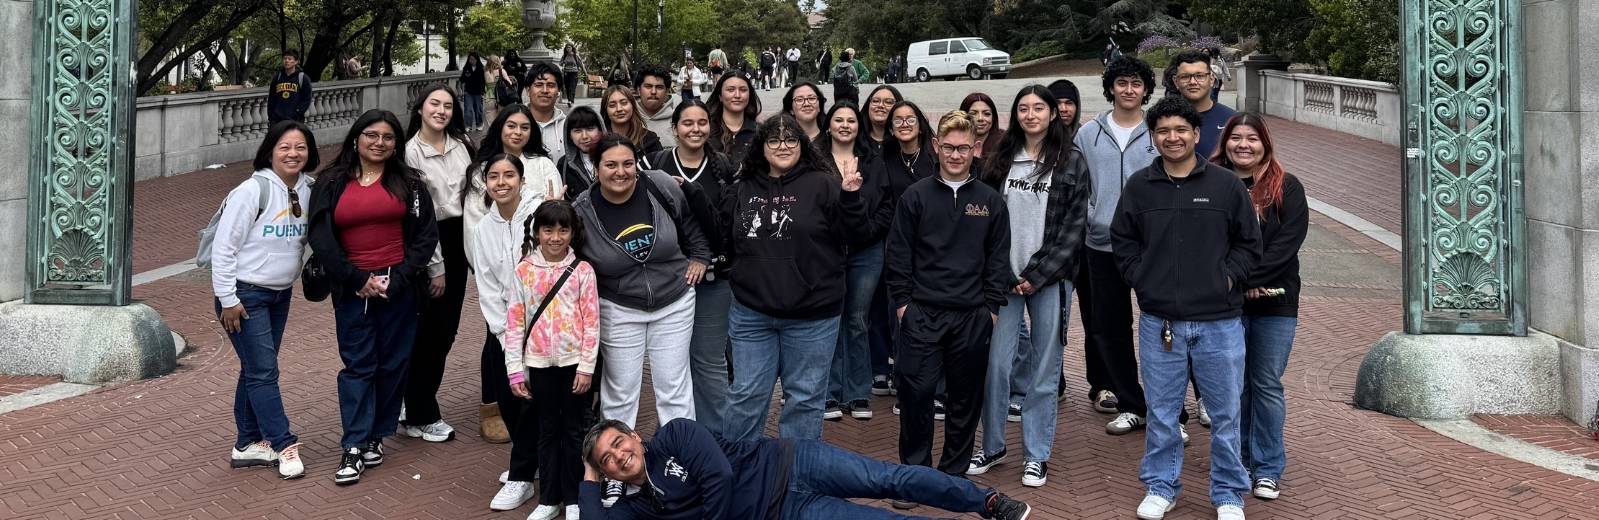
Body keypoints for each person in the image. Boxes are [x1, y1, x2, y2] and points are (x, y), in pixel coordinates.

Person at [1114, 97, 1261, 520]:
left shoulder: (1225, 185)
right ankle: (1162, 486)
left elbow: (1249, 245)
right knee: (1161, 412)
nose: (1172, 138)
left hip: (1220, 323)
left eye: (1181, 130)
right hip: (1161, 321)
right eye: (1163, 131)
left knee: (1225, 414)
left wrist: (1227, 278)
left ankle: (1229, 493)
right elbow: (1123, 243)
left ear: (1196, 135)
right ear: (1152, 137)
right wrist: (1142, 277)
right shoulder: (1140, 186)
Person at [572, 134, 711, 504]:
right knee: (620, 391)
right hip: (619, 306)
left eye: (628, 163)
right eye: (611, 165)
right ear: (596, 168)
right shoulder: (582, 209)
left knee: (674, 386)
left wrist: (700, 256)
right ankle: (615, 473)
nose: (621, 172)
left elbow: (690, 223)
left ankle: (683, 462)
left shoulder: (660, 186)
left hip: (674, 300)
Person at [306, 109, 441, 485]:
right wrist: (356, 279)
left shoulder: (410, 183)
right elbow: (321, 238)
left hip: (398, 287)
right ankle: (353, 443)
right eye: (371, 135)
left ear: (396, 144)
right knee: (359, 365)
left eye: (387, 137)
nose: (379, 143)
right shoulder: (331, 182)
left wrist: (396, 279)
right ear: (356, 138)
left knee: (394, 363)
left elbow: (425, 237)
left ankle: (375, 436)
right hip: (353, 289)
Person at [717, 114, 870, 443]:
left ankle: (795, 479)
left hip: (812, 315)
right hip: (751, 314)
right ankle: (741, 476)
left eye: (791, 140)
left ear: (802, 144)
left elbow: (854, 236)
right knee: (745, 396)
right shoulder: (743, 187)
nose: (782, 146)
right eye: (774, 140)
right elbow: (727, 240)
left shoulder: (824, 184)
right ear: (762, 146)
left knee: (804, 401)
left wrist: (851, 197)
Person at [966, 85, 1089, 489]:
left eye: (1039, 108)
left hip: (1049, 280)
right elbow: (984, 220)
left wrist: (1036, 274)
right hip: (1003, 279)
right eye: (1023, 108)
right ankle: (994, 445)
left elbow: (1073, 229)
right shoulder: (1001, 158)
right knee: (996, 366)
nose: (1031, 114)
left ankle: (1036, 455)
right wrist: (1000, 270)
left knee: (1043, 369)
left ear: (1053, 114)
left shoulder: (1070, 161)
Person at [885, 111, 1010, 485]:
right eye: (949, 148)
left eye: (964, 148)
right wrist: (904, 305)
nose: (956, 155)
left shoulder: (989, 201)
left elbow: (998, 258)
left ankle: (952, 475)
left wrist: (990, 309)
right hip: (922, 312)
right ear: (936, 147)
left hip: (972, 316)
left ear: (976, 149)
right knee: (916, 394)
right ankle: (915, 475)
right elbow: (898, 255)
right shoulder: (915, 196)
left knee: (964, 399)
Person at [577, 418, 1034, 519]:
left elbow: (719, 475)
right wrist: (588, 478)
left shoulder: (675, 435)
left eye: (618, 442)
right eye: (607, 460)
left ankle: (987, 501)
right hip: (787, 513)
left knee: (887, 479)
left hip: (794, 462)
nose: (618, 455)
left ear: (635, 436)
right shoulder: (639, 510)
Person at [1211, 113, 1307, 502]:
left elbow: (1286, 246)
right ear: (1225, 143)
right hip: (1225, 302)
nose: (1243, 145)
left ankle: (1267, 467)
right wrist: (1230, 284)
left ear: (1265, 143)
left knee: (1264, 383)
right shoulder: (1212, 181)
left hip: (1275, 301)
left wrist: (1242, 279)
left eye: (1252, 138)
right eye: (1236, 138)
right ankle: (1241, 461)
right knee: (1234, 387)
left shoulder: (1287, 187)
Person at [214, 120, 318, 480]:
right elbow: (224, 248)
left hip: (279, 295)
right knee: (264, 371)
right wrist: (227, 298)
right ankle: (283, 443)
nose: (293, 154)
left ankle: (246, 444)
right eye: (285, 147)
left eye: (300, 147)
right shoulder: (251, 190)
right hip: (244, 296)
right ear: (270, 151)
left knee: (256, 368)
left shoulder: (310, 189)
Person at [1075, 56, 1163, 438]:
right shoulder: (1088, 133)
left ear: (1146, 89)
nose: (1129, 90)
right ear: (1111, 87)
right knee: (1111, 327)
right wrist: (1091, 216)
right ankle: (1131, 404)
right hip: (1101, 245)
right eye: (1122, 83)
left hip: (1152, 249)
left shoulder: (1159, 131)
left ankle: (1168, 410)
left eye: (1137, 83)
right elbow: (1077, 186)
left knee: (1161, 327)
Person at [641, 99, 738, 437]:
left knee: (708, 359)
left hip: (714, 278)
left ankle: (716, 433)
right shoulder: (656, 164)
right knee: (672, 361)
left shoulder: (723, 166)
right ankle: (678, 429)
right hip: (669, 279)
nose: (695, 129)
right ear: (675, 128)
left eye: (701, 123)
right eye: (687, 123)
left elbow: (726, 224)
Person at [504, 198, 602, 520]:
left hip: (575, 364)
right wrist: (515, 371)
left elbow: (592, 322)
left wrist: (587, 367)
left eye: (563, 230)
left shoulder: (583, 271)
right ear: (537, 232)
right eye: (548, 230)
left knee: (573, 430)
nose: (556, 237)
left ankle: (574, 497)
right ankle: (549, 498)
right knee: (547, 430)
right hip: (539, 364)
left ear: (573, 233)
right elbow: (515, 323)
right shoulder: (524, 271)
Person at [401, 85, 481, 444]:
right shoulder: (409, 153)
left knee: (443, 330)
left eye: (448, 105)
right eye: (435, 103)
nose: (442, 110)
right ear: (420, 108)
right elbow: (419, 215)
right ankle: (421, 413)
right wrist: (436, 266)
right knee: (432, 331)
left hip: (461, 236)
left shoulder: (462, 145)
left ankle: (412, 400)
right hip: (430, 243)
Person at [472, 154, 545, 512]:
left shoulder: (539, 216)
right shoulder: (483, 228)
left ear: (521, 179)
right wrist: (505, 336)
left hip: (547, 327)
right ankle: (526, 467)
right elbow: (485, 284)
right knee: (509, 397)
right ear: (486, 184)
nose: (502, 183)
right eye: (494, 177)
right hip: (506, 330)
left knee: (538, 403)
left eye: (509, 175)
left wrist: (535, 331)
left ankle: (523, 472)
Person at [818, 102, 895, 422]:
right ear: (829, 126)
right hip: (828, 251)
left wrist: (868, 233)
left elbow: (886, 204)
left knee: (858, 320)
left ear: (858, 126)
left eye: (851, 120)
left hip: (867, 251)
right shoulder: (815, 161)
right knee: (831, 319)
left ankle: (858, 393)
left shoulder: (873, 162)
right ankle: (831, 393)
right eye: (839, 120)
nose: (846, 125)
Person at [1047, 78, 1110, 414]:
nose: (1064, 108)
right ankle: (1052, 378)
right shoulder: (1037, 142)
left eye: (1069, 102)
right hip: (1055, 247)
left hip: (1089, 243)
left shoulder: (1087, 138)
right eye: (1056, 102)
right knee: (1054, 317)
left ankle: (1102, 383)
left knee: (1095, 315)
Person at [1170, 50, 1236, 159]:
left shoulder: (1231, 119)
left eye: (1199, 76)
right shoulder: (1163, 119)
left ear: (1211, 79)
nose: (1192, 82)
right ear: (1176, 81)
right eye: (1185, 76)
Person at [883, 101, 937, 200]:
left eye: (911, 120)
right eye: (898, 121)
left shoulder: (935, 158)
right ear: (891, 130)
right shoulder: (886, 159)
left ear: (920, 127)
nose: (904, 124)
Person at [706, 72, 760, 163]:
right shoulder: (705, 130)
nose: (737, 95)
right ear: (720, 96)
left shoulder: (760, 132)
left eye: (743, 90)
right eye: (730, 90)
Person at [601, 85, 664, 156]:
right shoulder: (598, 140)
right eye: (612, 105)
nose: (619, 109)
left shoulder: (650, 140)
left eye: (624, 103)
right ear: (605, 110)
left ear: (633, 106)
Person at [527, 62, 571, 164]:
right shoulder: (514, 125)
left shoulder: (569, 126)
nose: (545, 90)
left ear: (558, 91)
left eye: (551, 85)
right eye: (539, 85)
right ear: (528, 90)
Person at [558, 106, 605, 200]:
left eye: (590, 129)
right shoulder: (564, 165)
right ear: (570, 135)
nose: (584, 136)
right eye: (577, 131)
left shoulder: (615, 158)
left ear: (600, 130)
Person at [635, 65, 680, 148]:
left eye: (659, 87)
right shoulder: (627, 119)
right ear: (638, 90)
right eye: (648, 86)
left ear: (667, 92)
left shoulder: (678, 121)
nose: (653, 92)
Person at [268, 49, 313, 124]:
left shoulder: (303, 78)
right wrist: (271, 116)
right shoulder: (277, 77)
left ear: (296, 61)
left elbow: (307, 99)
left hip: (295, 120)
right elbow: (271, 98)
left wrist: (298, 112)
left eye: (289, 59)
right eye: (285, 58)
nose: (286, 61)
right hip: (277, 120)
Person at [961, 93, 1005, 160]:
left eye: (986, 114)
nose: (980, 118)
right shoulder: (952, 139)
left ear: (993, 118)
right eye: (973, 114)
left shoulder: (1006, 141)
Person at [864, 86, 904, 152]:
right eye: (876, 101)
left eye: (888, 102)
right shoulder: (854, 139)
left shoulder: (906, 140)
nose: (880, 105)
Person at [460, 53, 488, 131]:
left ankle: (479, 124)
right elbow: (462, 80)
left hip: (478, 92)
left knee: (478, 109)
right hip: (468, 92)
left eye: (473, 59)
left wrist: (483, 92)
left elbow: (484, 81)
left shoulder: (481, 68)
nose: (471, 61)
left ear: (477, 59)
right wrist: (463, 92)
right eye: (470, 59)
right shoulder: (466, 68)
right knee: (468, 109)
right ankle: (468, 125)